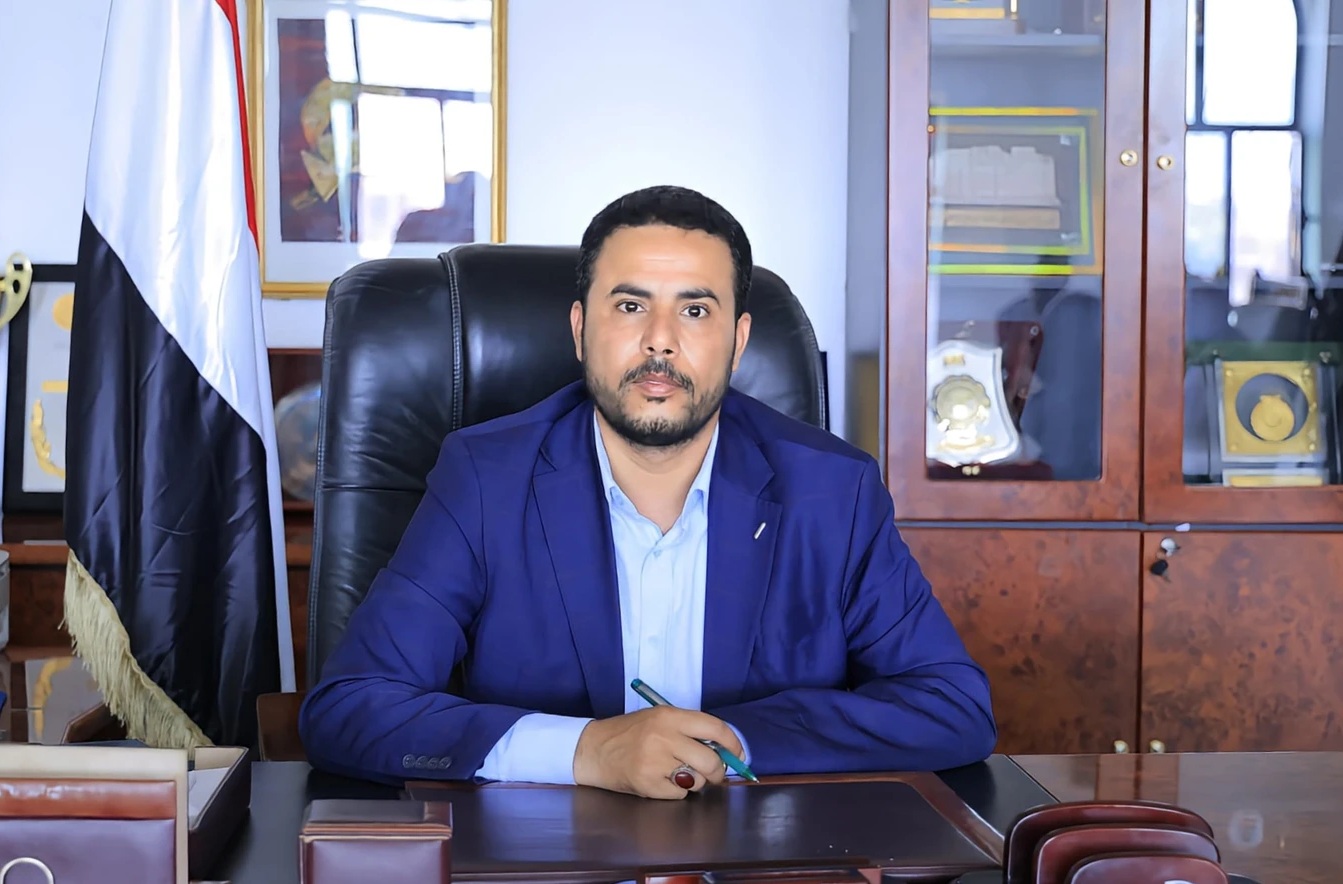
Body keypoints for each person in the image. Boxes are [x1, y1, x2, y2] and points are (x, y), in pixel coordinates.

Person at [298, 185, 996, 799]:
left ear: (738, 341)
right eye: (631, 305)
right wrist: (586, 750)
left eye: (695, 311)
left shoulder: (832, 491)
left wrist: (728, 740)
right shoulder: (486, 479)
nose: (660, 342)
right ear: (580, 329)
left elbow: (951, 707)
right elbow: (350, 708)